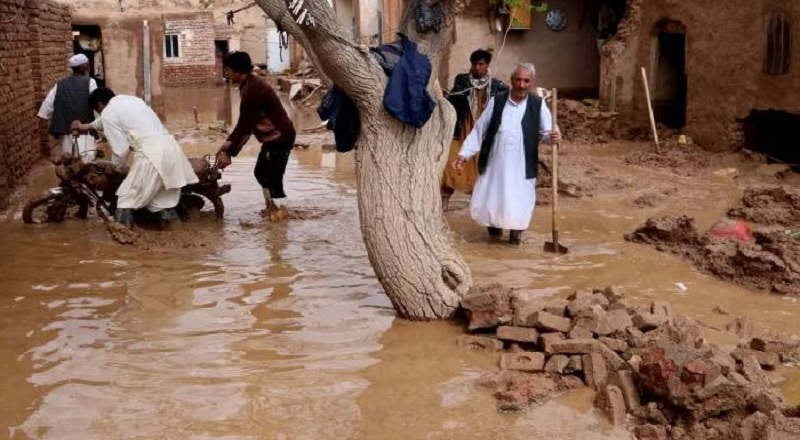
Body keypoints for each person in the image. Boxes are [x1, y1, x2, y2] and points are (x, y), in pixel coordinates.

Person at [453, 63, 561, 245]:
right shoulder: (497, 101)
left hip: (522, 167)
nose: (521, 85)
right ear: (511, 81)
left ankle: (514, 242)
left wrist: (554, 136)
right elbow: (480, 129)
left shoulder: (538, 105)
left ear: (531, 83)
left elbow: (548, 134)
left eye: (526, 81)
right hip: (495, 166)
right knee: (493, 204)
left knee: (518, 206)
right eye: (518, 80)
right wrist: (464, 154)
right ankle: (494, 241)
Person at [70, 88, 199, 228]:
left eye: (98, 110)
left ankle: (124, 245)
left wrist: (112, 168)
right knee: (162, 204)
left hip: (151, 155)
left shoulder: (108, 112)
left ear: (100, 105)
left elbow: (121, 151)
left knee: (125, 201)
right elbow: (106, 119)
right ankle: (180, 239)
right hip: (171, 150)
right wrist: (86, 126)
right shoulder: (131, 101)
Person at [215, 51, 296, 219]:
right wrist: (229, 144)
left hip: (280, 137)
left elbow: (245, 126)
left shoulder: (253, 90)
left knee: (274, 179)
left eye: (228, 70)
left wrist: (229, 151)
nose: (226, 74)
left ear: (237, 71)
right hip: (272, 138)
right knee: (260, 173)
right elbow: (245, 124)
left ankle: (280, 219)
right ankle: (271, 209)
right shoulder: (248, 85)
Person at [441, 49, 508, 211]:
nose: (477, 67)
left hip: (485, 132)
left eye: (481, 64)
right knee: (452, 162)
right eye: (474, 64)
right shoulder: (462, 81)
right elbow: (454, 101)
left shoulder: (498, 86)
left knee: (482, 167)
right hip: (464, 127)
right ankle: (444, 201)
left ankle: (482, 206)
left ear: (487, 66)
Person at [37, 53, 98, 162]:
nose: (89, 67)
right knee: (86, 160)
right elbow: (96, 104)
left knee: (68, 159)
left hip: (65, 129)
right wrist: (98, 124)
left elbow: (47, 105)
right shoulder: (90, 82)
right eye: (87, 65)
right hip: (84, 128)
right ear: (83, 67)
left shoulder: (60, 83)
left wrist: (45, 118)